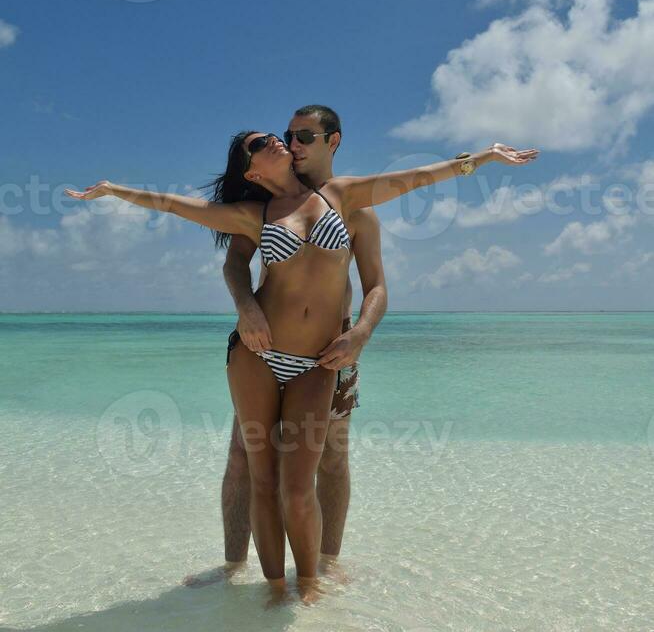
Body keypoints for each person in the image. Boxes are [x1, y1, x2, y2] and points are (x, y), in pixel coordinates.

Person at [64, 136, 538, 601]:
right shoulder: (253, 216)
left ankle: (309, 584)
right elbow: (174, 206)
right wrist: (115, 189)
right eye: (258, 144)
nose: (273, 140)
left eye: (274, 137)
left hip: (317, 362)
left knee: (297, 486)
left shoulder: (341, 195)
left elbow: (411, 180)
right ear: (251, 173)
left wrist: (482, 158)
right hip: (257, 355)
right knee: (261, 478)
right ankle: (272, 591)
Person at [183, 105, 387, 589]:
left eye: (304, 136)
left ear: (332, 142)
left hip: (333, 352)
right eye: (287, 135)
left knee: (332, 457)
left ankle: (325, 563)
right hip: (266, 347)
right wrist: (245, 309)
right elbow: (235, 264)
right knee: (244, 457)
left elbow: (376, 285)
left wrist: (361, 333)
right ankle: (234, 566)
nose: (292, 143)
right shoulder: (269, 202)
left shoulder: (353, 203)